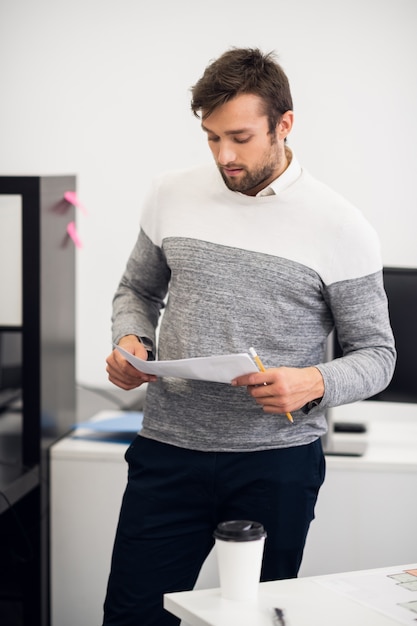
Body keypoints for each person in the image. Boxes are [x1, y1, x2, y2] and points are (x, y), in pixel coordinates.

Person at [103, 47, 396, 626]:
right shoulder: (170, 193)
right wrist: (132, 340)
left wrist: (314, 381)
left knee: (258, 621)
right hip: (167, 453)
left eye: (239, 137)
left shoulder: (341, 225)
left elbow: (379, 355)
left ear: (284, 124)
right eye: (211, 138)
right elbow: (136, 291)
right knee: (132, 616)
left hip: (276, 465)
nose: (224, 155)